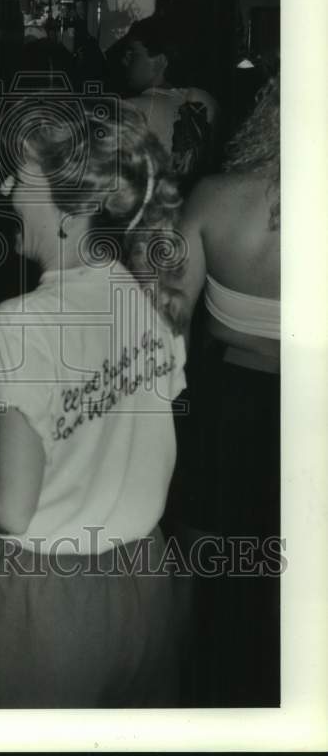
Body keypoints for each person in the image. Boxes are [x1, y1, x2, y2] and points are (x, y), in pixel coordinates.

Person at [0, 100, 188, 708]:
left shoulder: (22, 323)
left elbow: (10, 509)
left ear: (75, 205)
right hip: (145, 581)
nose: (7, 188)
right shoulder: (148, 290)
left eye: (22, 178)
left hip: (43, 600)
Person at [164, 75, 280, 705]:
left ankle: (185, 697)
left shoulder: (214, 196)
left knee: (196, 562)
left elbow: (167, 321)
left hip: (223, 408)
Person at [121, 16, 219, 188]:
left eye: (133, 53)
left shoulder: (131, 107)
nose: (125, 60)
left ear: (160, 60)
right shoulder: (208, 101)